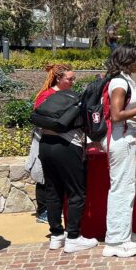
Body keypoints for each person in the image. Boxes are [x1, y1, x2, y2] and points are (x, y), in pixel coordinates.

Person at [34, 64, 98, 253]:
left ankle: (56, 235)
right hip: (67, 146)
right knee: (76, 191)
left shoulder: (43, 97)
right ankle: (73, 237)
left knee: (53, 191)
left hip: (45, 145)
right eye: (69, 79)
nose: (72, 82)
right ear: (58, 79)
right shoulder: (72, 98)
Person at [102, 44, 136, 258]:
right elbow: (115, 115)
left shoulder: (124, 79)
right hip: (119, 139)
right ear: (129, 60)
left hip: (124, 137)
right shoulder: (119, 82)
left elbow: (123, 112)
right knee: (121, 189)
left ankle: (124, 233)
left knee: (127, 187)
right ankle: (115, 240)